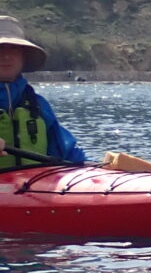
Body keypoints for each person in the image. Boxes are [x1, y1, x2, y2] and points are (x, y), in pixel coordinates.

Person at [0, 15, 88, 172]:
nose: (6, 56)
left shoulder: (37, 104)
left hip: (32, 190)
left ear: (23, 57)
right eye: (0, 48)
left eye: (14, 48)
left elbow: (67, 154)